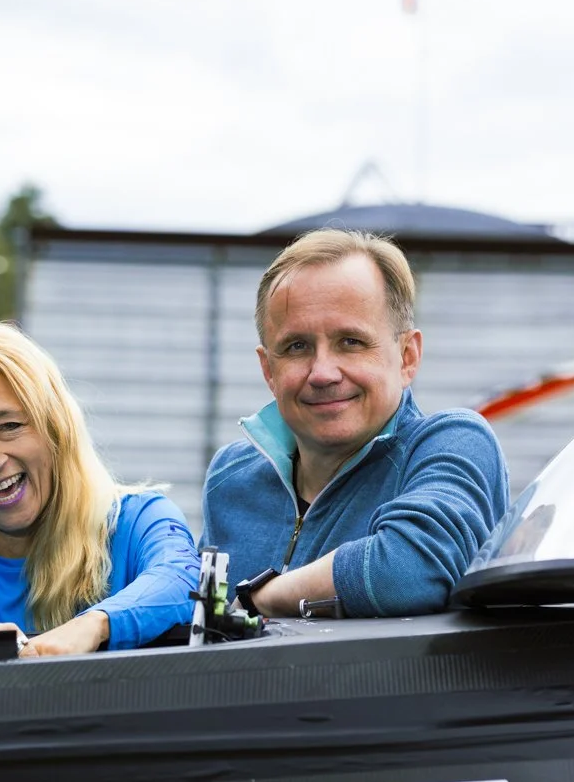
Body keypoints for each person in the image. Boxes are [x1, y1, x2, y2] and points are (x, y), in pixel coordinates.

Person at [200, 228, 509, 619]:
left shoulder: (450, 445)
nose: (323, 372)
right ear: (268, 370)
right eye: (297, 347)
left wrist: (259, 599)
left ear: (407, 356)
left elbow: (405, 572)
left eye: (351, 342)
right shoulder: (232, 479)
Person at [0, 322, 201, 660]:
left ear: (56, 426)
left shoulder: (140, 518)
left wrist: (94, 626)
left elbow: (181, 576)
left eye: (9, 426)